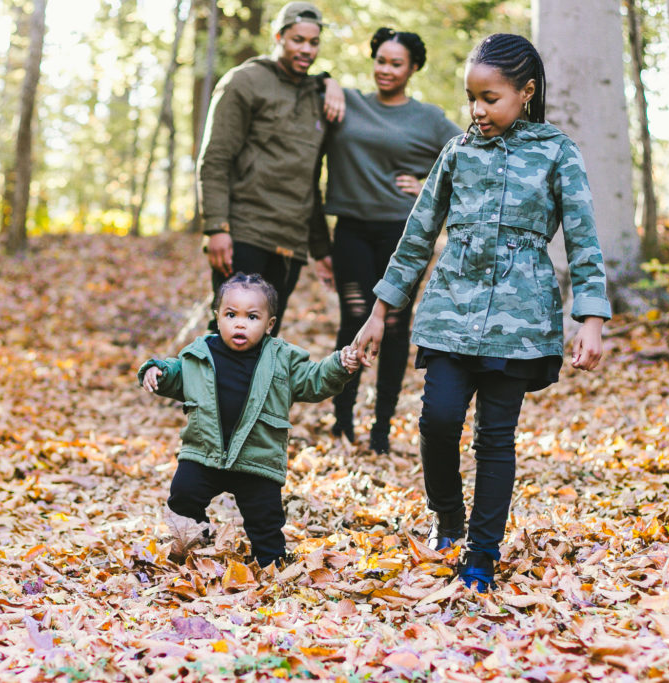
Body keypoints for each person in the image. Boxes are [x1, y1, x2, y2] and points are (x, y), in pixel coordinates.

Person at [353, 33, 612, 592]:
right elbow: (417, 236)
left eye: (490, 98)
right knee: (438, 420)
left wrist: (589, 318)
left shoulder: (556, 151)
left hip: (519, 326)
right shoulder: (457, 152)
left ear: (526, 92)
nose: (477, 110)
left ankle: (481, 555)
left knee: (496, 438)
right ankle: (447, 518)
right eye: (471, 97)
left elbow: (585, 238)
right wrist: (380, 311)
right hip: (450, 314)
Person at [138, 273, 360, 567]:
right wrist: (157, 371)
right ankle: (194, 542)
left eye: (252, 317)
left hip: (258, 458)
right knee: (183, 496)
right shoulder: (199, 355)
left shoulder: (281, 358)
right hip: (204, 453)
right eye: (231, 315)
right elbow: (176, 374)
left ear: (269, 324)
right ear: (218, 318)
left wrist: (339, 365)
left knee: (265, 520)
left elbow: (314, 380)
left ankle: (271, 564)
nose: (240, 323)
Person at [324, 28, 463, 454]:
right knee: (354, 318)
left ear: (413, 68)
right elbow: (309, 83)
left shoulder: (429, 118)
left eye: (396, 63)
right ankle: (342, 419)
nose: (386, 70)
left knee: (397, 325)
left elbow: (471, 153)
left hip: (403, 234)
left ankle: (381, 428)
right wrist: (327, 79)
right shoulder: (349, 102)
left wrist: (424, 182)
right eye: (380, 61)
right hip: (350, 228)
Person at [197, 2, 345, 336]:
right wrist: (216, 227)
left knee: (264, 338)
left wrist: (321, 250)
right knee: (229, 336)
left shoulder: (317, 95)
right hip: (245, 232)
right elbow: (215, 158)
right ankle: (204, 389)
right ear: (278, 36)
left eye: (313, 42)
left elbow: (309, 180)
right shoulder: (244, 82)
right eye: (297, 40)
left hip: (289, 243)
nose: (306, 49)